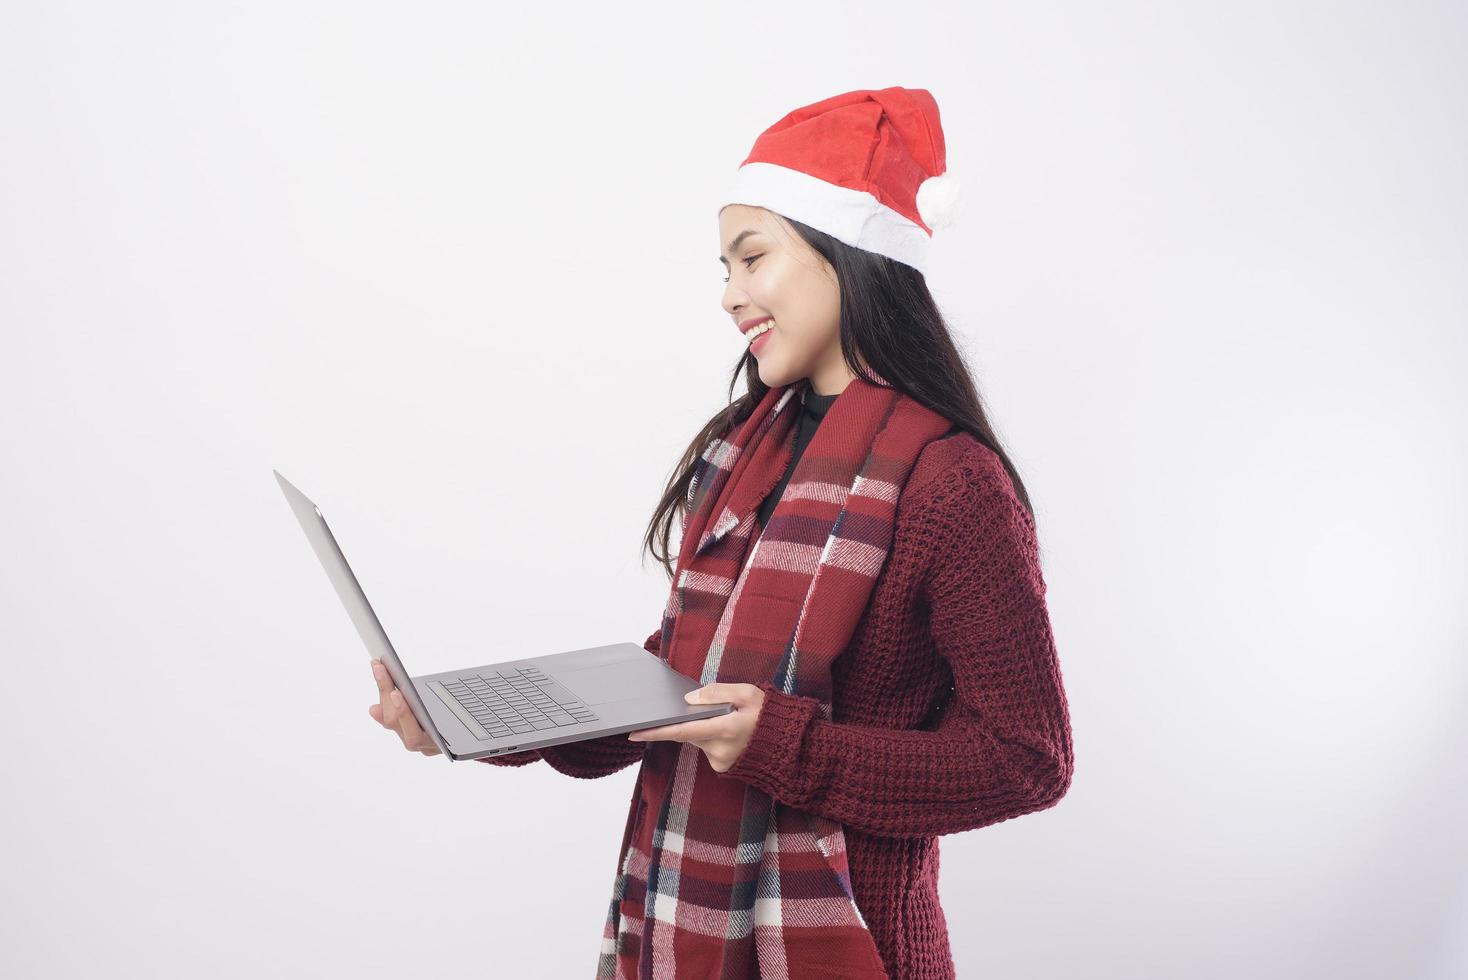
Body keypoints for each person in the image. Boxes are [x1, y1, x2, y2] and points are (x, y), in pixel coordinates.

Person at [369, 85, 1074, 980]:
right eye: (723, 269)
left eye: (752, 259)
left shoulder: (952, 484)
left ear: (847, 252)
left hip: (852, 947)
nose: (730, 295)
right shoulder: (743, 450)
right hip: (676, 927)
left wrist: (789, 748)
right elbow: (682, 698)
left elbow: (1028, 759)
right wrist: (487, 722)